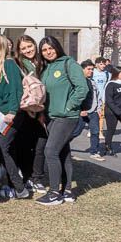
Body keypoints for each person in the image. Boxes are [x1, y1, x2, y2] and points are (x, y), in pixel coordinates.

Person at [37, 36, 88, 206]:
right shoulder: (46, 68)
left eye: (50, 48)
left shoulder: (69, 63)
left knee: (50, 151)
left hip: (66, 117)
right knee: (63, 153)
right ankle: (67, 191)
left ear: (57, 47)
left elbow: (82, 88)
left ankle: (53, 193)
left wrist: (69, 106)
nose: (48, 52)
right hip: (51, 117)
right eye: (44, 50)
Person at [0, 33, 28, 199]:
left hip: (11, 115)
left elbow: (16, 90)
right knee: (1, 146)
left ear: (2, 46)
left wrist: (12, 112)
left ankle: (19, 187)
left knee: (3, 146)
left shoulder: (9, 64)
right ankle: (7, 183)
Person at [13, 35, 48, 193]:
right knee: (26, 145)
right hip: (27, 109)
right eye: (23, 48)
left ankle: (37, 177)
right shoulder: (20, 64)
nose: (28, 50)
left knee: (40, 146)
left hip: (44, 108)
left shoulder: (44, 62)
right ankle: (27, 176)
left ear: (35, 44)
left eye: (30, 46)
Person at [75, 60, 104, 161]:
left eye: (92, 69)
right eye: (88, 69)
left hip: (93, 111)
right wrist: (79, 110)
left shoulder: (93, 82)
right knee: (76, 132)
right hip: (82, 112)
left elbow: (98, 96)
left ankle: (94, 152)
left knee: (95, 132)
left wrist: (99, 108)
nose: (91, 71)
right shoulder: (77, 82)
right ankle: (61, 146)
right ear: (82, 69)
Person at [104, 66, 121, 157]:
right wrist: (119, 112)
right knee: (111, 130)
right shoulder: (111, 84)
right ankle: (108, 147)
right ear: (117, 74)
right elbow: (109, 101)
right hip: (111, 111)